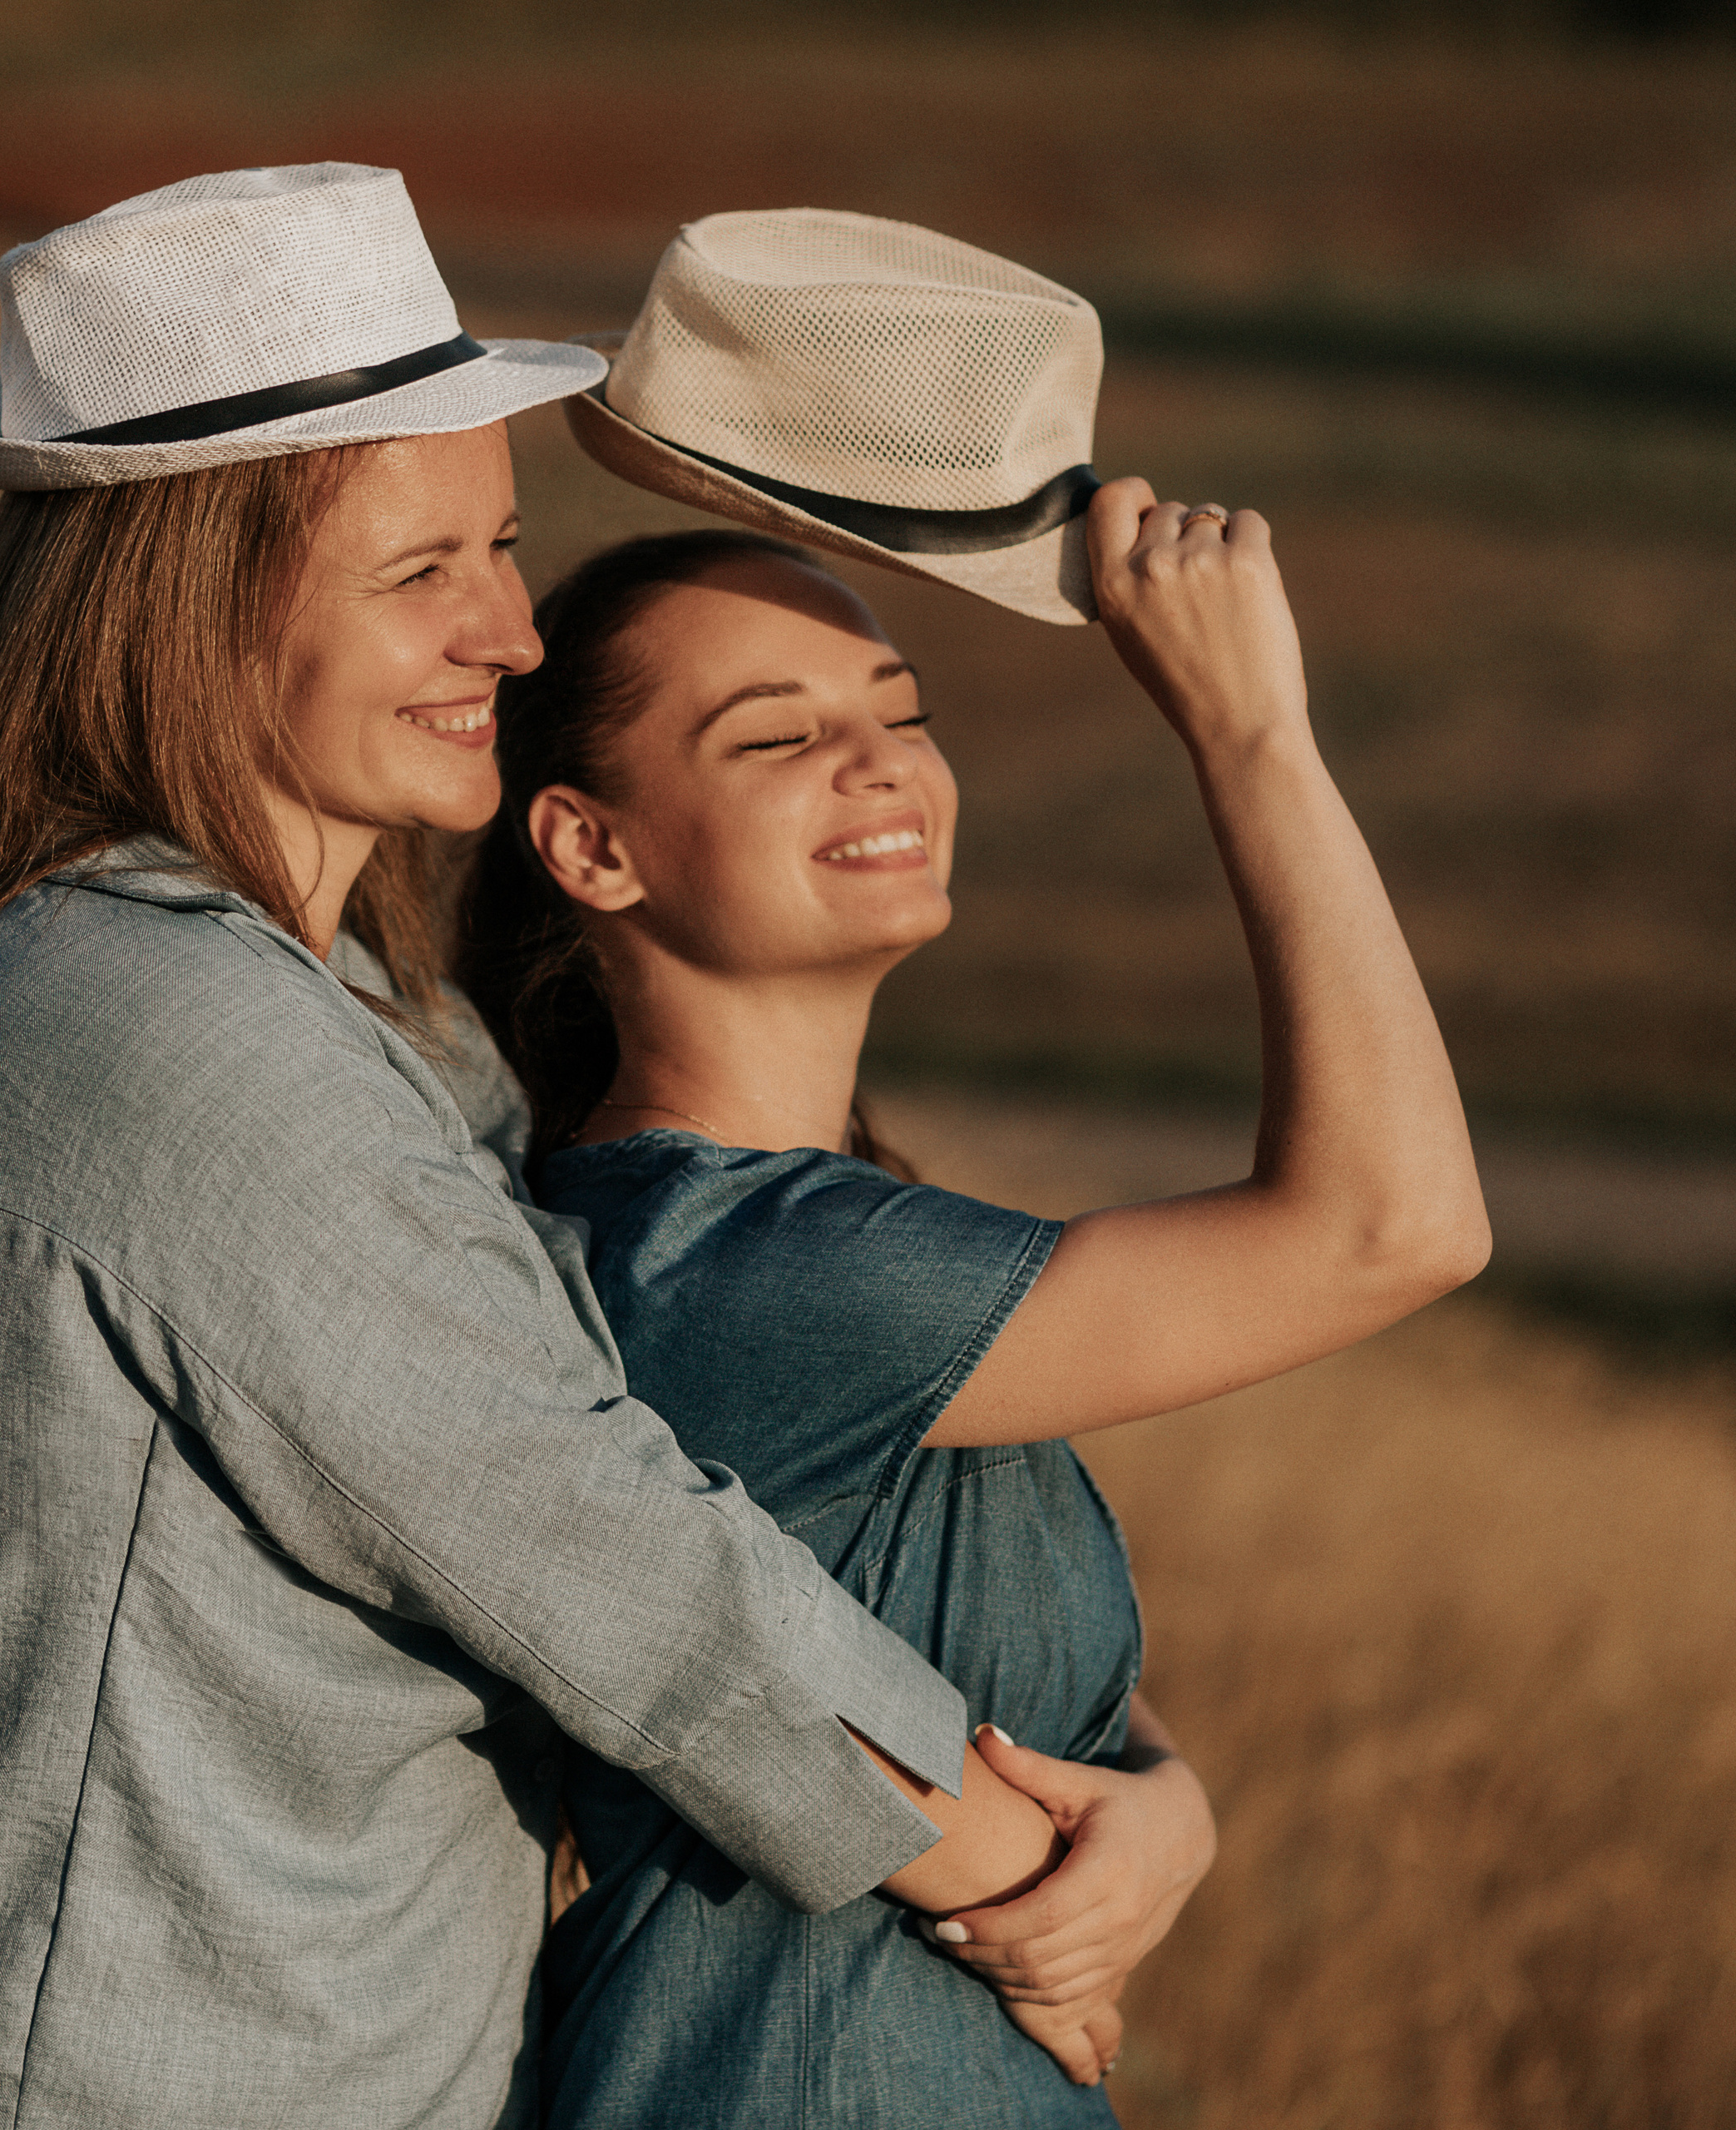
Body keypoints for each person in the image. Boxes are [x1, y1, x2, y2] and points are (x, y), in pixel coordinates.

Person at [0, 168, 1140, 2128]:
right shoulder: (147, 1023)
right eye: (422, 572)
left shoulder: (365, 1023)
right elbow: (611, 1558)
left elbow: (702, 1461)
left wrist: (1146, 1805)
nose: (506, 626)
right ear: (190, 597)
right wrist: (1026, 1887)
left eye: (498, 545)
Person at [456, 213, 1491, 2125]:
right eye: (777, 736)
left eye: (901, 720)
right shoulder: (748, 1262)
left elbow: (964, 1662)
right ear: (591, 850)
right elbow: (1393, 1226)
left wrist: (1161, 1808)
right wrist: (1250, 730)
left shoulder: (806, 1242)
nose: (878, 768)